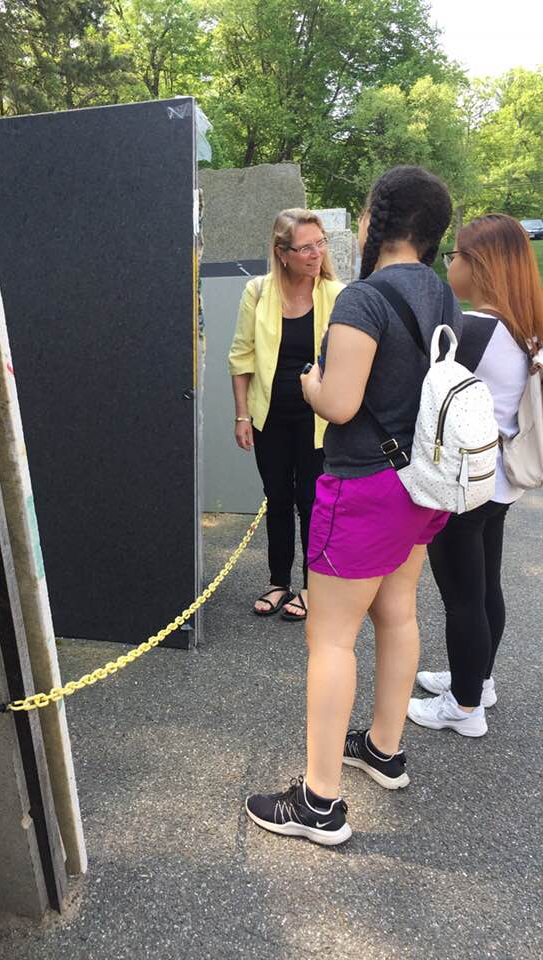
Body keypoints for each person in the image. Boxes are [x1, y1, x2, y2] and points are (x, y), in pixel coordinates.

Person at [245, 166, 461, 845]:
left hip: (364, 485)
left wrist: (310, 383)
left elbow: (339, 401)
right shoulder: (441, 295)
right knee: (398, 615)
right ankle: (384, 750)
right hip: (421, 485)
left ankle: (319, 803)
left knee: (330, 637)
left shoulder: (365, 298)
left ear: (378, 220)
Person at [408, 214, 543, 736]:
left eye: (457, 256)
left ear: (480, 266)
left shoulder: (477, 328)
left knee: (462, 596)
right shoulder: (522, 327)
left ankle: (464, 708)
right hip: (501, 480)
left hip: (465, 485)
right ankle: (476, 679)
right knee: (485, 586)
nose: (451, 266)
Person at [228, 209, 344, 621]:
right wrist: (242, 416)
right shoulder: (257, 292)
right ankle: (279, 581)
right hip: (269, 416)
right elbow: (241, 356)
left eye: (320, 243)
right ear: (282, 253)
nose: (316, 254)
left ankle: (314, 587)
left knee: (312, 501)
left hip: (318, 420)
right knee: (277, 498)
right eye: (305, 247)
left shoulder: (337, 293)